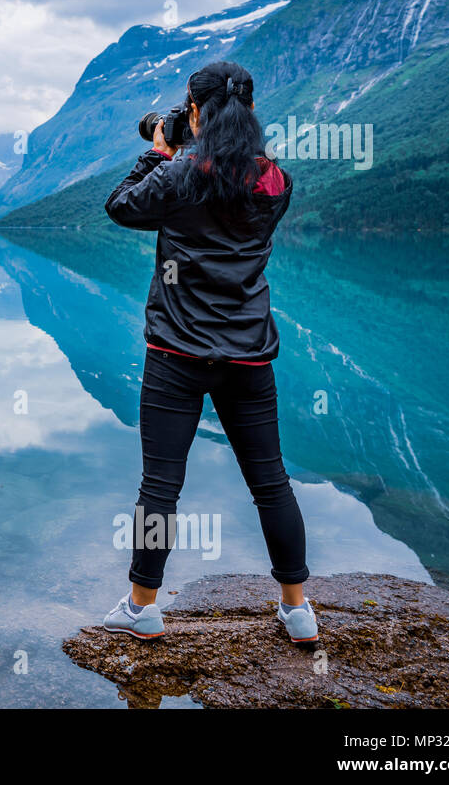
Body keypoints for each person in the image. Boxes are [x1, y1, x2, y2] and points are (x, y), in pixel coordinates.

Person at [100, 60, 316, 644]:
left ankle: (143, 607)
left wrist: (158, 150)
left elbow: (121, 206)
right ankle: (298, 610)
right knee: (271, 482)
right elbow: (232, 188)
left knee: (159, 487)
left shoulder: (178, 176)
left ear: (194, 111)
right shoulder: (276, 182)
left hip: (176, 355)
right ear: (248, 111)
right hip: (249, 355)